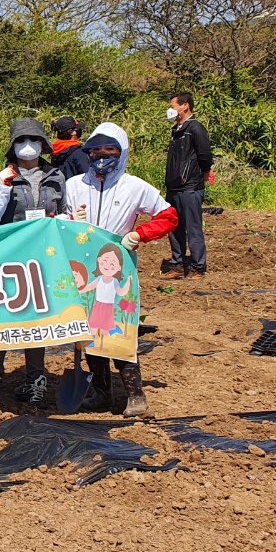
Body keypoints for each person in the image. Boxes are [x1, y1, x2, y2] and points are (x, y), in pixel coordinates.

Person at [64, 122, 178, 417]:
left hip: (119, 267)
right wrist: (69, 219)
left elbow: (168, 215)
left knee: (120, 330)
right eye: (96, 150)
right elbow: (61, 222)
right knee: (88, 332)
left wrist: (140, 234)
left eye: (110, 149)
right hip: (84, 268)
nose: (102, 155)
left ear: (122, 152)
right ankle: (101, 392)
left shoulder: (135, 187)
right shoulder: (75, 185)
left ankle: (135, 395)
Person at [0, 117, 67, 405]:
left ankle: (35, 380)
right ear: (12, 145)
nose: (27, 146)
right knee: (3, 316)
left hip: (43, 259)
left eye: (33, 140)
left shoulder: (56, 176)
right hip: (8, 257)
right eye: (21, 141)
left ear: (43, 144)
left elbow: (64, 212)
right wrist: (2, 185)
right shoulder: (4, 176)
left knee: (36, 318)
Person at [164, 92, 213, 279]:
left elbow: (205, 155)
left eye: (173, 106)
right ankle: (177, 264)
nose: (170, 110)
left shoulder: (196, 129)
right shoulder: (176, 130)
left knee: (193, 228)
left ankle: (198, 266)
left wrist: (204, 173)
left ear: (185, 106)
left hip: (190, 186)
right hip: (174, 186)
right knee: (174, 227)